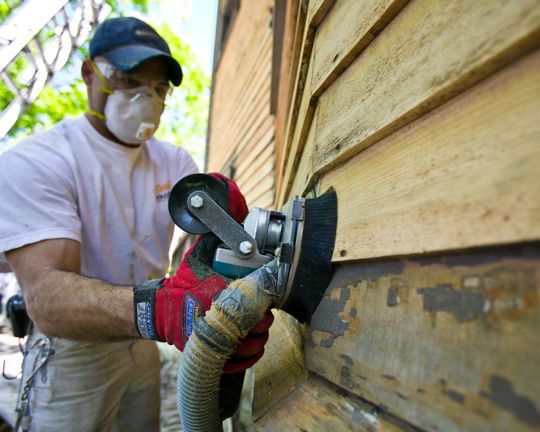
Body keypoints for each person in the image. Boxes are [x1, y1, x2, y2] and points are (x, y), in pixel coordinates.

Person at [0, 17, 271, 431]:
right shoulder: (40, 161)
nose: (147, 98)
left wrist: (224, 233)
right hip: (75, 352)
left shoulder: (174, 163)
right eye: (130, 81)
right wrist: (162, 309)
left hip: (143, 341)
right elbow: (48, 297)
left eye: (160, 88)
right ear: (91, 74)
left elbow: (197, 256)